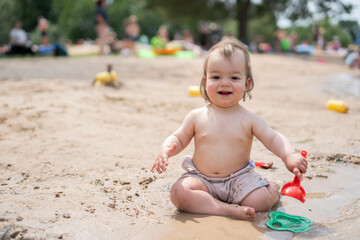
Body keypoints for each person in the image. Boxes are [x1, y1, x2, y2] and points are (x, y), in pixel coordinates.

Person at [150, 39, 308, 220]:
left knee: (260, 201)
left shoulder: (249, 119)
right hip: (202, 180)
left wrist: (289, 156)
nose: (224, 83)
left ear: (247, 84)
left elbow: (273, 138)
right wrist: (166, 149)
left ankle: (271, 187)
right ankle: (225, 209)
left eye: (234, 78)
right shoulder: (196, 116)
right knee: (179, 192)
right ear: (205, 80)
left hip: (239, 180)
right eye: (216, 77)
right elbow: (179, 137)